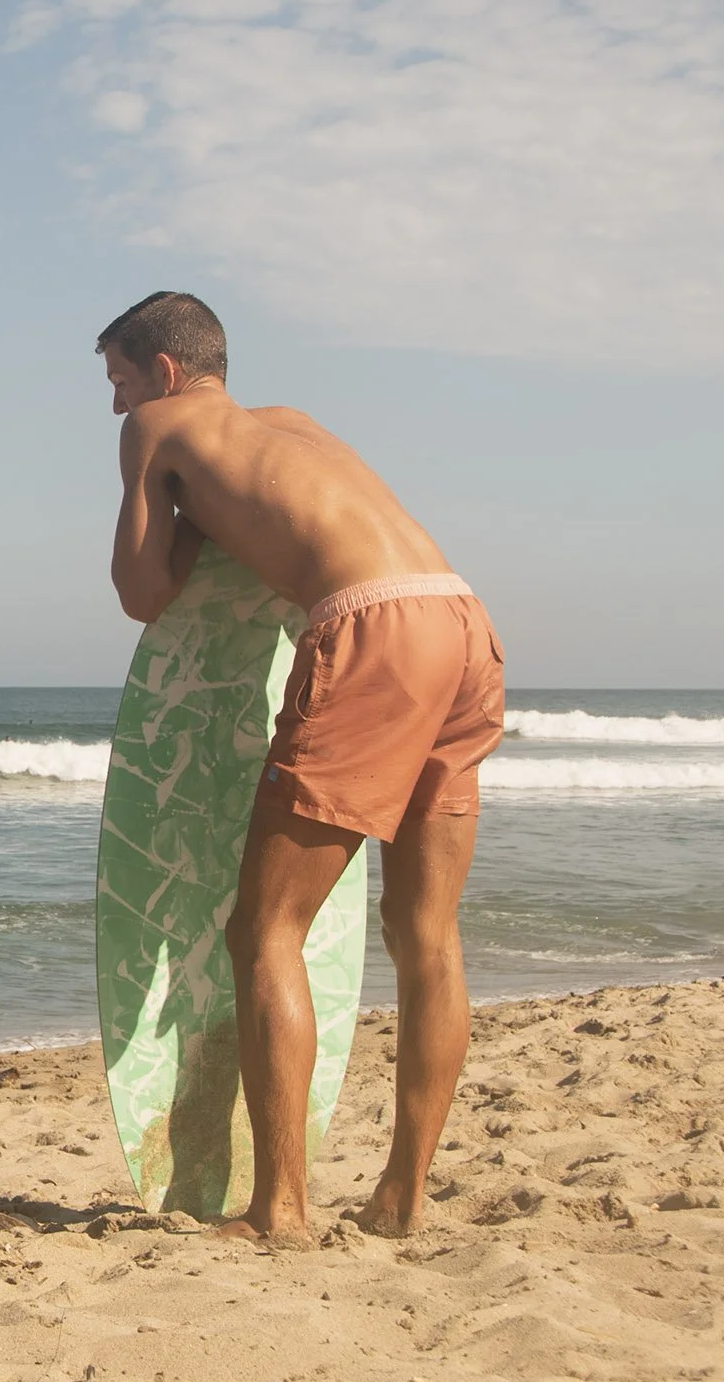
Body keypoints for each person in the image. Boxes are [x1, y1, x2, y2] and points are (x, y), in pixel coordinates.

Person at [100, 291, 504, 1247]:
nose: (116, 407)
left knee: (263, 926)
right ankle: (401, 1196)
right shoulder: (295, 425)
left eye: (117, 382)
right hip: (460, 617)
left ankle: (280, 1211)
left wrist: (172, 509)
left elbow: (140, 591)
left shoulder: (161, 426)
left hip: (369, 629)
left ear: (162, 371)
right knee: (427, 934)